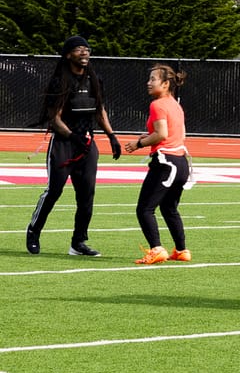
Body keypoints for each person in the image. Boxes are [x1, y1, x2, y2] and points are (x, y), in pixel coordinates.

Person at [26, 36, 121, 257]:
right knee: (54, 190)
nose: (85, 52)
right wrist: (71, 135)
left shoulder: (94, 79)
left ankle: (78, 242)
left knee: (87, 194)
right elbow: (55, 118)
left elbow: (100, 110)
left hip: (86, 145)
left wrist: (112, 136)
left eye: (87, 49)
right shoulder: (60, 80)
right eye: (79, 49)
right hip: (63, 144)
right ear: (68, 55)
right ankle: (34, 231)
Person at [124, 65, 192, 265]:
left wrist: (138, 143)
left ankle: (156, 249)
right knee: (170, 209)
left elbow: (161, 134)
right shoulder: (175, 104)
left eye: (153, 79)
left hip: (165, 163)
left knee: (144, 209)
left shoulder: (158, 104)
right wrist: (151, 138)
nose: (148, 82)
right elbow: (179, 135)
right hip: (180, 162)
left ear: (165, 83)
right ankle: (181, 250)